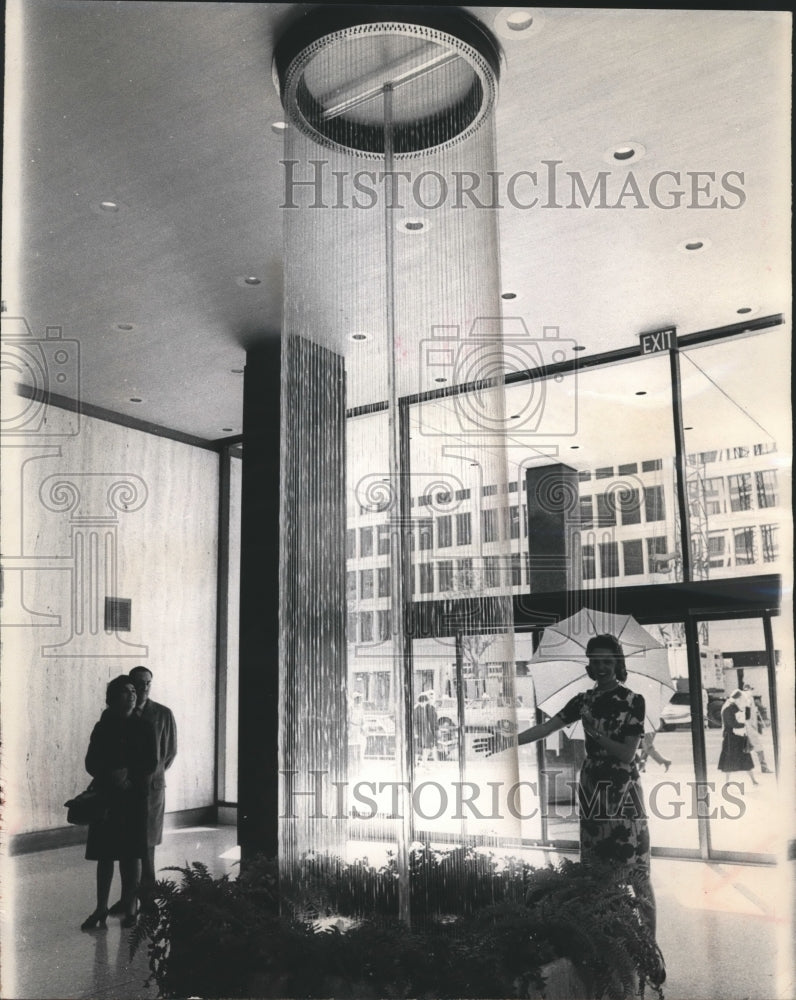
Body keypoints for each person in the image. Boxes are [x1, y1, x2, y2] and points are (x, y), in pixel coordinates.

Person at [473, 633, 665, 986]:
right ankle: (607, 947)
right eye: (597, 660)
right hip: (592, 785)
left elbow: (626, 753)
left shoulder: (633, 701)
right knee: (596, 871)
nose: (603, 666)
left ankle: (648, 950)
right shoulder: (583, 700)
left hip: (622, 787)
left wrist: (594, 731)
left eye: (609, 660)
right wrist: (508, 740)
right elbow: (547, 727)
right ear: (589, 665)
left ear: (617, 663)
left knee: (636, 871)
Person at [81, 675, 157, 930]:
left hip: (134, 798)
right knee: (105, 855)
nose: (132, 695)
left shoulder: (145, 726)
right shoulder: (102, 727)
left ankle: (130, 905)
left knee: (131, 855)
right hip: (108, 798)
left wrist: (128, 777)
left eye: (134, 691)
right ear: (113, 698)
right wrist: (112, 775)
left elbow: (151, 762)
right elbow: (91, 762)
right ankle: (101, 907)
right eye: (126, 692)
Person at [125, 666, 177, 901]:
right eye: (139, 682)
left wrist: (153, 774)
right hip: (127, 786)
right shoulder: (122, 713)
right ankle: (130, 896)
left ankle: (147, 892)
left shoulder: (163, 713)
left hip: (152, 787)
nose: (144, 687)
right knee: (128, 842)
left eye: (148, 682)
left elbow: (170, 752)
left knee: (147, 841)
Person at [717, 689, 758, 786]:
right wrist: (743, 724)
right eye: (742, 699)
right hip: (731, 738)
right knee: (731, 761)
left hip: (737, 738)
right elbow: (732, 723)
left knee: (743, 759)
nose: (743, 700)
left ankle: (753, 780)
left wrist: (748, 707)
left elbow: (746, 717)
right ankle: (727, 782)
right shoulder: (728, 709)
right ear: (737, 699)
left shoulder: (737, 708)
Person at [740, 683, 772, 773]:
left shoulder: (745, 698)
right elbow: (747, 715)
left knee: (747, 748)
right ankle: (764, 767)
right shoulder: (748, 698)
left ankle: (746, 767)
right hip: (749, 727)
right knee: (758, 746)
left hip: (747, 726)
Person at [413, 693, 438, 763]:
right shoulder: (417, 710)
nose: (425, 703)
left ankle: (424, 761)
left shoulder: (424, 708)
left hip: (425, 731)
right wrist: (416, 733)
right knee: (419, 748)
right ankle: (416, 761)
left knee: (425, 747)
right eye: (425, 702)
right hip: (420, 731)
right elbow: (415, 722)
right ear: (422, 702)